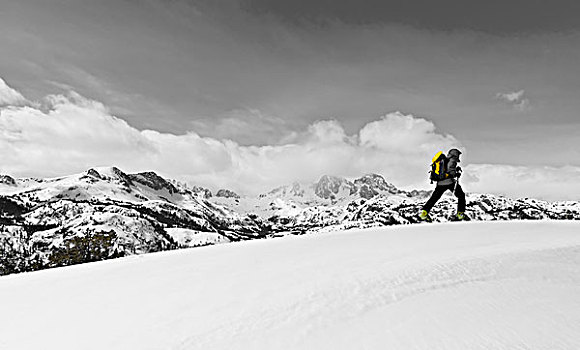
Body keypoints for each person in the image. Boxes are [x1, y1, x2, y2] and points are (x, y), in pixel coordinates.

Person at [419, 148, 466, 221]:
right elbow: (450, 172)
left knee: (434, 198)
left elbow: (446, 170)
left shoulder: (443, 160)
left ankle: (424, 213)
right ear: (455, 154)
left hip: (440, 183)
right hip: (449, 182)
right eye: (458, 155)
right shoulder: (452, 160)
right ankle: (460, 214)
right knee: (461, 195)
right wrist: (457, 173)